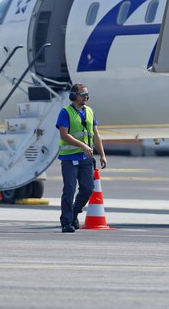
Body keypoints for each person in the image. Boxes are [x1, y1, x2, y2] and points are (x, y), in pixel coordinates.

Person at [56, 83, 107, 233]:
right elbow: (64, 134)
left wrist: (102, 154)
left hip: (86, 159)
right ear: (73, 96)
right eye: (83, 94)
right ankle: (66, 222)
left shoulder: (90, 112)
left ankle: (74, 213)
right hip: (69, 158)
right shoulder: (65, 112)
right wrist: (83, 146)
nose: (86, 97)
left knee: (88, 188)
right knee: (69, 190)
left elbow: (96, 135)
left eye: (87, 94)